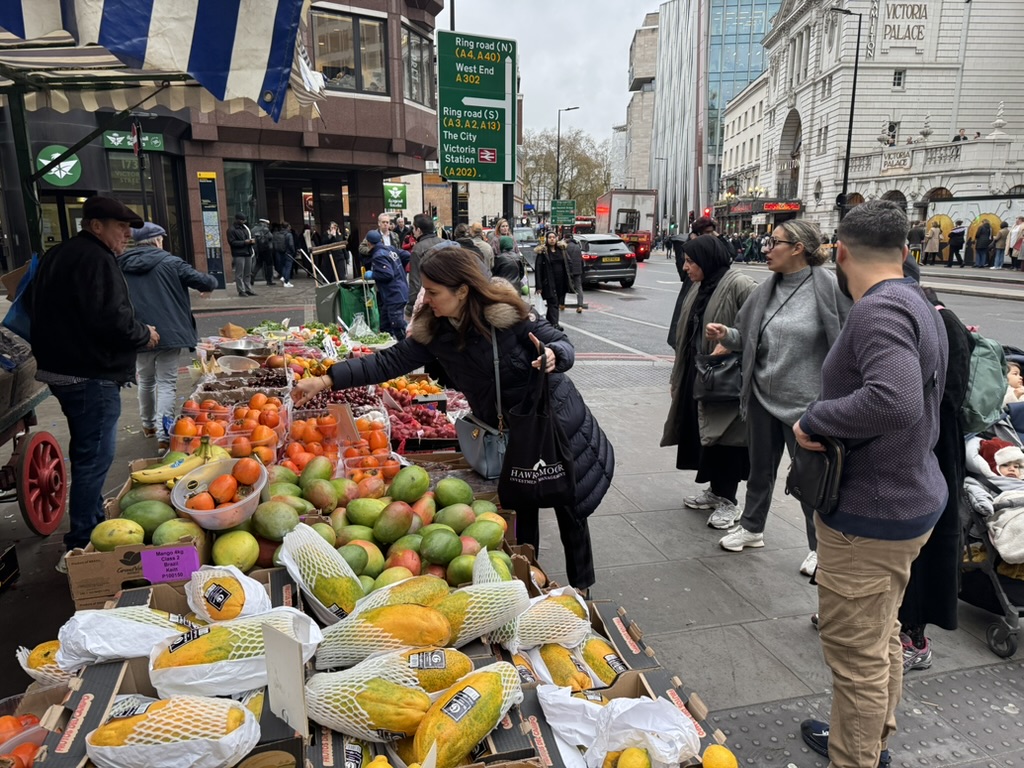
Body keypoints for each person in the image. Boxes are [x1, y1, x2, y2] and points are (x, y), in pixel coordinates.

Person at [291, 246, 614, 591]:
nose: (425, 299)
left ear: (462, 291)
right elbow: (385, 363)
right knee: (522, 505)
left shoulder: (509, 314)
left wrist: (553, 355)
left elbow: (560, 342)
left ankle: (582, 588)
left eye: (433, 292)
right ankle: (528, 578)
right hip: (508, 434)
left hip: (554, 423)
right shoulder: (436, 333)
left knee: (570, 506)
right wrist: (326, 379)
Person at [795, 199, 948, 768]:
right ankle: (864, 740)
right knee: (881, 637)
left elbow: (896, 398)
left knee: (855, 657)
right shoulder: (916, 300)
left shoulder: (877, 311)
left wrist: (815, 420)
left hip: (870, 514)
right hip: (908, 502)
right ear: (905, 252)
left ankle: (853, 757)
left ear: (839, 252)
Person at [24, 196, 159, 569]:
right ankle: (82, 543)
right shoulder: (96, 258)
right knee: (94, 456)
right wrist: (142, 334)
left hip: (61, 368)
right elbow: (110, 319)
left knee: (89, 451)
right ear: (95, 225)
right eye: (120, 228)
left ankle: (90, 526)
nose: (127, 236)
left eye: (130, 229)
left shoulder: (60, 254)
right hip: (88, 372)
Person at [707, 220, 850, 571]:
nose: (766, 249)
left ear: (798, 248)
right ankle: (752, 528)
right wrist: (728, 334)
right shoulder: (766, 289)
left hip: (806, 405)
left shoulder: (827, 288)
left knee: (809, 480)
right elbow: (747, 336)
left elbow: (846, 342)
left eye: (774, 242)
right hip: (760, 395)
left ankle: (820, 548)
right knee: (760, 470)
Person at [897, 285, 972, 675]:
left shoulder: (943, 324)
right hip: (924, 444)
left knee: (927, 547)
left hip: (935, 449)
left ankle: (915, 637)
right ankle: (889, 621)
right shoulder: (925, 318)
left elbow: (949, 396)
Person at [661, 235, 756, 527]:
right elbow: (685, 334)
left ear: (707, 259)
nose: (686, 267)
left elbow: (759, 328)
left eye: (690, 261)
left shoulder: (741, 284)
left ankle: (729, 501)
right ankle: (716, 491)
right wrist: (678, 376)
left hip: (725, 377)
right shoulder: (699, 285)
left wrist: (731, 341)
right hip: (699, 372)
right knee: (705, 434)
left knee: (726, 437)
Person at [119, 222, 218, 452]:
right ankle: (164, 436)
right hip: (169, 333)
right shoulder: (171, 262)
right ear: (156, 240)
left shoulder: (121, 265)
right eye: (162, 238)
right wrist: (210, 285)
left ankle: (148, 426)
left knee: (145, 380)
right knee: (166, 383)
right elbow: (203, 281)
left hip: (139, 331)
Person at [366, 230, 410, 340]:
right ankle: (390, 348)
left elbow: (387, 274)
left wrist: (373, 275)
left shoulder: (378, 255)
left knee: (398, 326)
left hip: (394, 294)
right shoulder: (390, 249)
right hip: (398, 292)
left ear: (368, 243)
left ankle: (407, 347)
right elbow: (407, 255)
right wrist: (400, 270)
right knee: (385, 325)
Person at [405, 213, 443, 319]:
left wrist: (411, 306)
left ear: (419, 230)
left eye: (413, 228)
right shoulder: (445, 243)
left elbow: (415, 281)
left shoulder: (418, 249)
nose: (412, 231)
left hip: (427, 299)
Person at [534, 231, 570, 329]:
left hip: (561, 281)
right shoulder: (543, 252)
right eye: (550, 237)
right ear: (546, 239)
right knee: (553, 302)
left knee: (555, 302)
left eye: (554, 237)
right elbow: (538, 269)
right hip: (548, 282)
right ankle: (555, 324)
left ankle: (549, 324)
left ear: (557, 238)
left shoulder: (561, 250)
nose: (552, 239)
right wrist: (539, 286)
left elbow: (567, 264)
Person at [226, 212, 256, 296]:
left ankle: (248, 288)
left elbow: (249, 238)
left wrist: (251, 242)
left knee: (247, 273)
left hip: (247, 252)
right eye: (242, 220)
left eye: (244, 220)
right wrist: (244, 242)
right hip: (238, 253)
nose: (243, 221)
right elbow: (232, 242)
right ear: (237, 220)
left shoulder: (245, 228)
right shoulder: (231, 229)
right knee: (239, 273)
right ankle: (241, 290)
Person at [251, 217, 275, 286]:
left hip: (257, 250)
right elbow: (270, 237)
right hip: (266, 250)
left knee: (258, 264)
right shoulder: (265, 229)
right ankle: (269, 280)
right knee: (269, 265)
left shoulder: (253, 229)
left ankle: (252, 275)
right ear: (264, 223)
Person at [272, 222, 296, 287]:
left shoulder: (277, 234)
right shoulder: (289, 234)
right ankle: (286, 281)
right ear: (288, 227)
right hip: (288, 253)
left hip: (280, 252)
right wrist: (293, 251)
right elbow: (291, 245)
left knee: (283, 266)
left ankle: (283, 277)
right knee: (288, 267)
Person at [565, 235, 584, 314]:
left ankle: (561, 304)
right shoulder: (577, 246)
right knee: (579, 287)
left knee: (564, 287)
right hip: (578, 270)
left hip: (568, 270)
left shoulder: (566, 247)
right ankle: (580, 305)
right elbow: (581, 259)